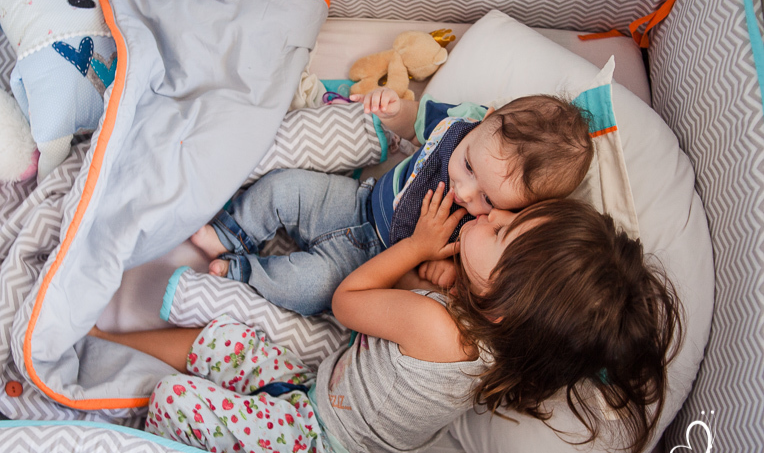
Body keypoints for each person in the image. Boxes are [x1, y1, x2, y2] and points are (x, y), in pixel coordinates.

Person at [90, 190, 681, 453]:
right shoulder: (502, 348)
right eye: (513, 215)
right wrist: (446, 277)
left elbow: (349, 302)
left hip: (315, 445)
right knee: (226, 341)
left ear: (503, 305)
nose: (493, 212)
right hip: (316, 394)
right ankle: (105, 344)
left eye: (501, 231)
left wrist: (414, 249)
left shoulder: (437, 325)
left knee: (175, 399)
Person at [190, 88, 594, 315]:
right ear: (485, 118)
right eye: (468, 165)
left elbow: (474, 264)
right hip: (356, 202)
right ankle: (231, 231)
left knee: (310, 288)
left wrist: (443, 267)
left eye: (488, 198)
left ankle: (243, 273)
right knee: (284, 187)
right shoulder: (462, 122)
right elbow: (417, 125)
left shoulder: (495, 231)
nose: (466, 193)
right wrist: (396, 111)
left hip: (371, 266)